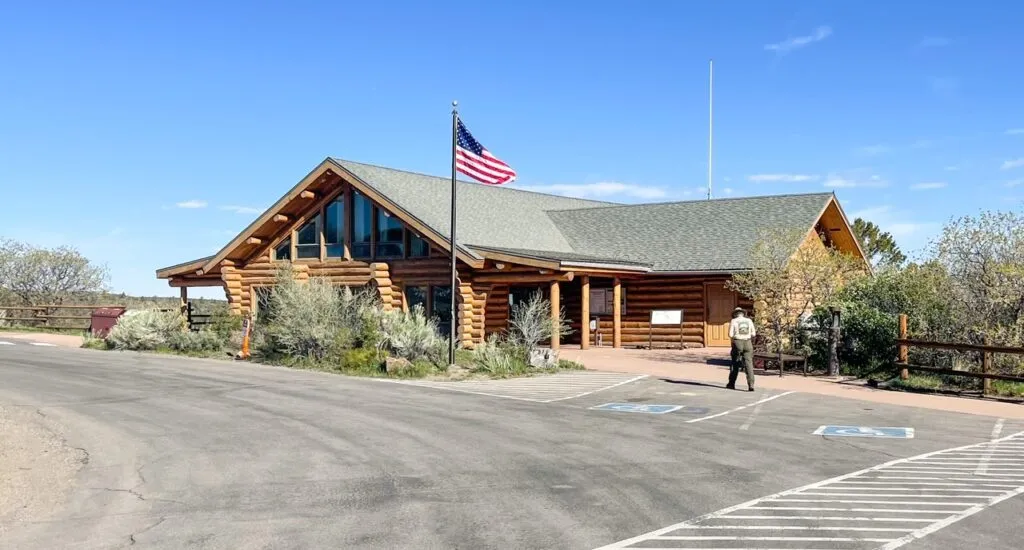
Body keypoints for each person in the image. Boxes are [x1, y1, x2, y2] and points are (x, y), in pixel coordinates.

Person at [727, 307, 756, 391]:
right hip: (748, 342)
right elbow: (753, 334)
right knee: (749, 364)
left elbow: (730, 334)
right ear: (743, 313)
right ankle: (751, 385)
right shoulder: (749, 321)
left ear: (735, 314)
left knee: (735, 363)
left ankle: (731, 383)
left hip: (738, 342)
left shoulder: (734, 321)